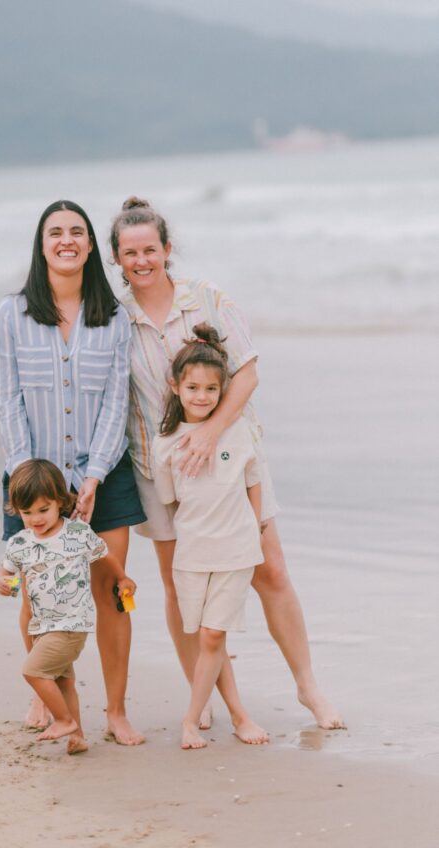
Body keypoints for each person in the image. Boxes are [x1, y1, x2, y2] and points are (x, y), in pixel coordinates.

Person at [110, 196, 344, 731]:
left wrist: (211, 432)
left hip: (231, 460)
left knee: (271, 571)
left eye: (150, 249)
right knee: (180, 586)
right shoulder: (116, 320)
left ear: (167, 250)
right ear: (118, 260)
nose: (141, 260)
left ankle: (308, 688)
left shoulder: (207, 299)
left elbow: (247, 373)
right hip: (160, 470)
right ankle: (204, 694)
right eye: (130, 253)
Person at [0, 199, 147, 746]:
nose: (66, 240)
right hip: (33, 481)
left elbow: (117, 403)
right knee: (37, 595)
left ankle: (117, 711)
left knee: (110, 592)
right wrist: (34, 481)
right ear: (42, 244)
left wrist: (93, 477)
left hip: (103, 473)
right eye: (55, 232)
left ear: (89, 246)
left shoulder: (115, 318)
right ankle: (51, 694)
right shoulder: (12, 314)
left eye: (76, 232)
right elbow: (7, 399)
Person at [153, 324, 265, 750]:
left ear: (223, 391)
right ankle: (237, 714)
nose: (202, 396)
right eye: (193, 387)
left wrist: (253, 525)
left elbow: (253, 479)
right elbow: (172, 504)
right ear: (176, 386)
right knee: (205, 638)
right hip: (193, 554)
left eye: (211, 389)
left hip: (237, 549)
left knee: (214, 636)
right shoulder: (165, 445)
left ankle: (190, 719)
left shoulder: (236, 431)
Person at [0, 459, 137, 755]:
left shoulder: (75, 534)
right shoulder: (20, 543)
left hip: (72, 624)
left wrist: (122, 577)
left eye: (43, 510)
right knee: (63, 681)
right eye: (27, 512)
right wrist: (2, 581)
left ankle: (62, 720)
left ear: (60, 502)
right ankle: (78, 736)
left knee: (33, 671)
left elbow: (104, 555)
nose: (36, 519)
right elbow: (6, 572)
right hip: (41, 626)